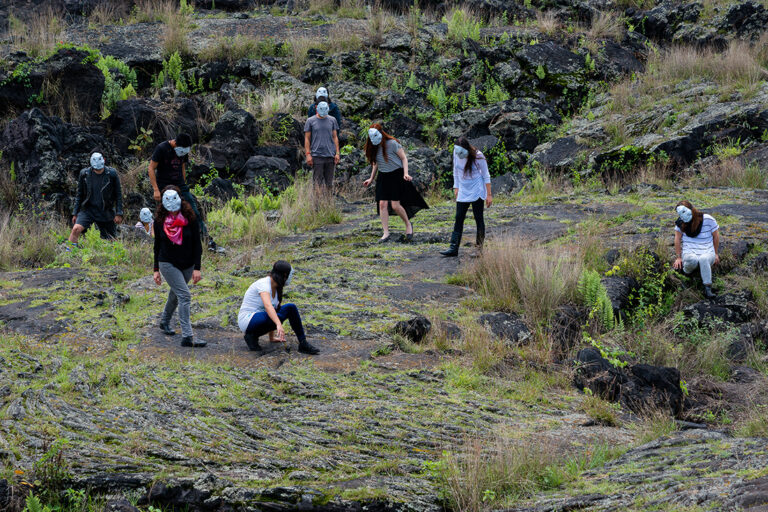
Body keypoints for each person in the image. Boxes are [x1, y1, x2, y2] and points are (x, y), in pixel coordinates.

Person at [148, 133, 224, 253]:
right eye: (183, 149)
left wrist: (183, 184)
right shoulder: (162, 148)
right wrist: (156, 189)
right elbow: (151, 168)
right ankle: (163, 245)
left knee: (194, 212)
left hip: (180, 186)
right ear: (176, 144)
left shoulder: (183, 151)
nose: (184, 152)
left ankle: (207, 241)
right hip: (164, 187)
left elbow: (182, 168)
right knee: (164, 216)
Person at [153, 186, 206, 347]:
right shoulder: (159, 221)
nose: (174, 212)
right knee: (184, 296)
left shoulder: (190, 218)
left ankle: (164, 321)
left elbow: (198, 244)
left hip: (188, 263)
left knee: (175, 294)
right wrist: (156, 269)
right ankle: (187, 337)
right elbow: (157, 246)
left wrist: (197, 267)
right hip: (167, 262)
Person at [363, 124, 428, 242]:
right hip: (383, 176)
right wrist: (371, 178)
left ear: (381, 133)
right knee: (382, 204)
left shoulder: (392, 143)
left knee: (395, 205)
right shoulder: (373, 145)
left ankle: (408, 224)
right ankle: (386, 233)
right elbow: (375, 163)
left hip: (396, 175)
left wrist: (406, 173)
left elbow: (404, 158)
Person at [238, 260, 320, 355]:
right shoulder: (264, 284)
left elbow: (273, 310)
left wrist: (271, 338)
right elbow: (268, 307)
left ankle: (303, 343)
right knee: (276, 316)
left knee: (291, 307)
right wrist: (278, 324)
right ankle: (252, 335)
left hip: (260, 318)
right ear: (284, 275)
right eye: (289, 275)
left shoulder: (277, 288)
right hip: (247, 320)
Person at [440, 137, 492, 257]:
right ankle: (453, 248)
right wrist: (456, 186)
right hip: (463, 188)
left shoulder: (478, 156)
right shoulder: (456, 152)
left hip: (476, 188)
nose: (459, 155)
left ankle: (479, 249)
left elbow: (486, 175)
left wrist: (489, 195)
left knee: (478, 217)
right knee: (459, 217)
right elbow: (456, 170)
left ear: (467, 149)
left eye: (462, 153)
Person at [68, 152, 123, 247]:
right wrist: (75, 213)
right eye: (96, 169)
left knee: (112, 240)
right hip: (88, 210)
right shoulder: (84, 174)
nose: (98, 170)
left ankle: (114, 257)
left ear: (104, 161)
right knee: (76, 229)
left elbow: (118, 195)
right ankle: (70, 251)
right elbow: (79, 195)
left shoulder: (112, 174)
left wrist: (119, 213)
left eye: (100, 169)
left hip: (105, 210)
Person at [673, 200, 720, 299]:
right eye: (680, 213)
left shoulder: (708, 219)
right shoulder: (680, 223)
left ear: (691, 209)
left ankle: (707, 288)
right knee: (692, 259)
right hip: (689, 251)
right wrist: (678, 257)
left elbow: (716, 236)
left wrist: (715, 254)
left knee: (703, 259)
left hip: (707, 251)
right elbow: (677, 238)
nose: (683, 215)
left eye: (685, 212)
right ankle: (685, 275)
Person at [304, 101, 340, 191]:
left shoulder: (332, 120)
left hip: (330, 155)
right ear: (316, 108)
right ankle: (317, 204)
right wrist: (308, 154)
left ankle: (328, 203)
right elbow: (307, 139)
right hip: (317, 156)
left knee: (329, 184)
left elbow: (335, 137)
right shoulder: (310, 121)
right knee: (317, 183)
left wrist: (337, 153)